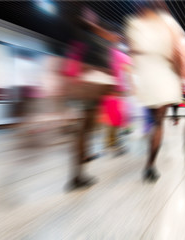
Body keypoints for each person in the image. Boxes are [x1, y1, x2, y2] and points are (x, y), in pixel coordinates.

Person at [126, 2, 185, 181]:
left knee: (153, 120)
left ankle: (149, 156)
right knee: (158, 123)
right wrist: (180, 75)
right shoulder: (168, 22)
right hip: (164, 75)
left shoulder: (134, 23)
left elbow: (132, 51)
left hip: (146, 76)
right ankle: (150, 166)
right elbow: (178, 51)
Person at [62, 8, 117, 190]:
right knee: (84, 132)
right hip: (90, 89)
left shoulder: (82, 37)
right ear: (86, 19)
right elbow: (101, 66)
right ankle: (77, 177)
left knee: (83, 132)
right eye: (90, 15)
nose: (94, 16)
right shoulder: (91, 38)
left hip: (84, 88)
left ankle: (77, 175)